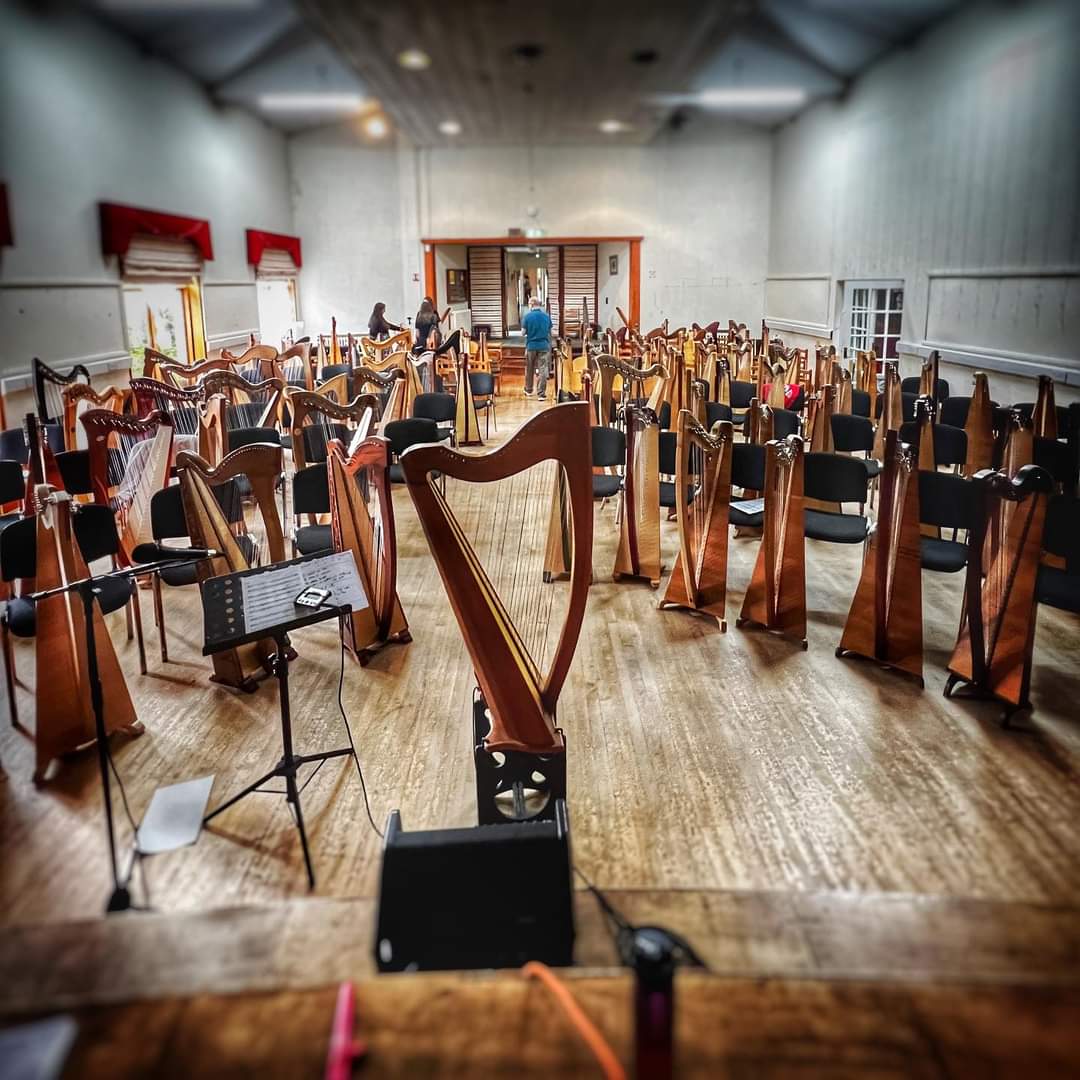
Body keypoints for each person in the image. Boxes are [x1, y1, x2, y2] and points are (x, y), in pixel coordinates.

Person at [521, 296, 552, 401]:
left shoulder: (527, 317)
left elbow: (523, 333)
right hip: (543, 345)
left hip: (531, 346)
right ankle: (541, 394)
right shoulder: (546, 316)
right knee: (543, 369)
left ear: (532, 304)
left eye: (529, 304)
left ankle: (529, 390)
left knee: (529, 368)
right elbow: (549, 331)